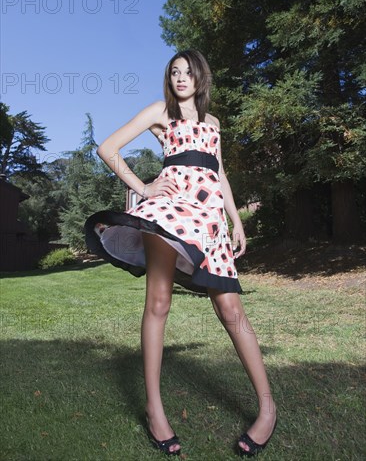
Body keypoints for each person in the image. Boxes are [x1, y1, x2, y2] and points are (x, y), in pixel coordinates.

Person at [84, 49, 277, 456]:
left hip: (208, 220)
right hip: (169, 213)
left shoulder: (213, 123)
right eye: (174, 72)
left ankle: (267, 407)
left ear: (201, 77)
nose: (181, 77)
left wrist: (235, 219)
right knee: (158, 302)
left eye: (188, 72)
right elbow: (108, 148)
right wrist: (144, 188)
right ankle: (155, 411)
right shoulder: (160, 112)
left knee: (232, 310)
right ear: (168, 78)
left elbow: (218, 172)